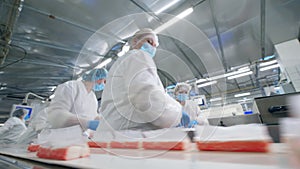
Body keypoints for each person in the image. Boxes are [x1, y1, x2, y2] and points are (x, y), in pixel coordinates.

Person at [99, 28, 188, 131]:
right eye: (149, 41)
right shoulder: (138, 55)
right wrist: (177, 114)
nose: (152, 47)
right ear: (135, 41)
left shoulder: (123, 62)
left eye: (155, 46)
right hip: (127, 135)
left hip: (116, 133)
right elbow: (146, 97)